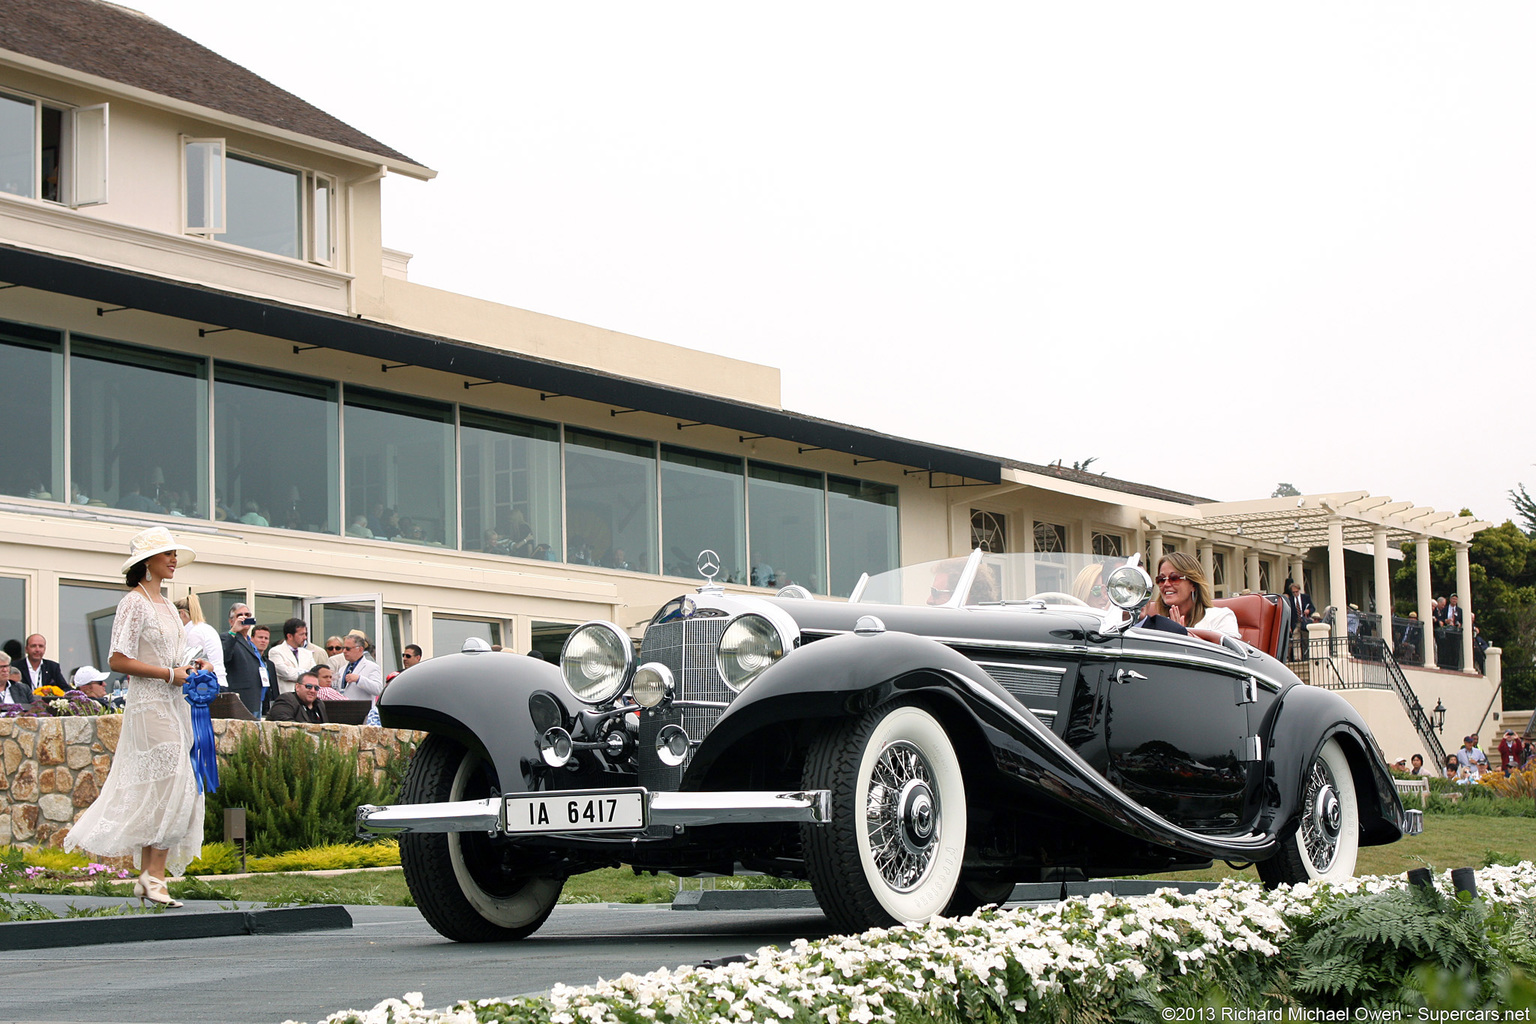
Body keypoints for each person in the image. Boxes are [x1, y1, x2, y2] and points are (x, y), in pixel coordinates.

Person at [64, 526, 209, 909]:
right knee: (172, 781)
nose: (174, 559)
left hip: (176, 702)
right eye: (167, 554)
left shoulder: (167, 606)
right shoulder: (134, 602)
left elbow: (171, 659)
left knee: (172, 787)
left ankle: (151, 878)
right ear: (148, 562)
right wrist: (166, 673)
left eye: (175, 553)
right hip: (148, 704)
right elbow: (117, 659)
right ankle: (152, 878)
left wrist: (190, 668)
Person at [1144, 552, 1239, 637]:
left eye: (1174, 578)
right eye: (1161, 579)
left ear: (1193, 584)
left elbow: (1230, 652)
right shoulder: (1154, 623)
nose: (1166, 584)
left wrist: (1184, 635)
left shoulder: (1220, 617)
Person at [174, 593, 227, 692]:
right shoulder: (206, 628)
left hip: (208, 685)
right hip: (217, 681)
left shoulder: (193, 632)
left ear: (182, 614)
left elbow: (192, 663)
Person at [221, 602, 266, 718]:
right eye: (240, 615)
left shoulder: (251, 642)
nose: (244, 617)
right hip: (240, 699)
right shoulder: (227, 637)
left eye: (247, 614)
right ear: (231, 621)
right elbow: (224, 657)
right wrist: (233, 631)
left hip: (256, 697)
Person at [267, 617, 315, 696]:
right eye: (301, 634)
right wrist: (307, 673)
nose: (305, 637)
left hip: (306, 698)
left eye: (305, 634)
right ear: (289, 636)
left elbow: (314, 674)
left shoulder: (307, 653)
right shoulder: (275, 652)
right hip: (287, 699)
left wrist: (295, 672)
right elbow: (287, 674)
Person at [339, 632, 384, 704]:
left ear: (360, 649)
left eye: (348, 649)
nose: (344, 651)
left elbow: (378, 689)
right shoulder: (342, 669)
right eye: (343, 648)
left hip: (363, 712)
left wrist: (359, 679)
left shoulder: (372, 667)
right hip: (345, 711)